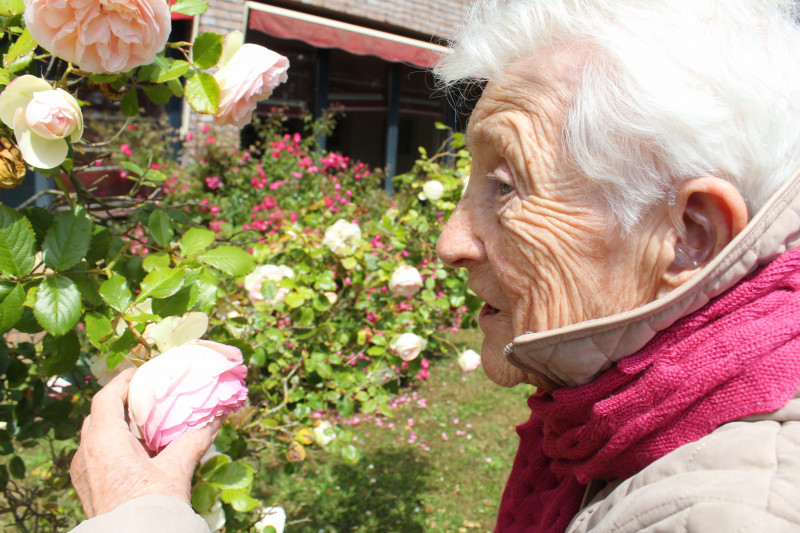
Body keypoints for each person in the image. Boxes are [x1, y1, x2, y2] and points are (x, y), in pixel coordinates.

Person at [69, 0, 800, 531]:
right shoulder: (626, 427)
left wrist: (138, 518)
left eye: (507, 186)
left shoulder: (723, 509)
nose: (451, 240)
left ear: (688, 235)